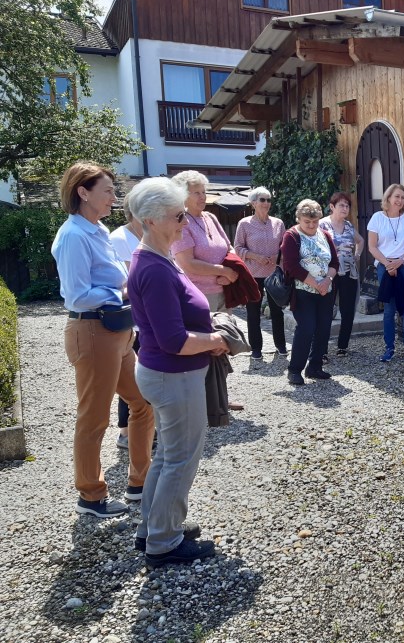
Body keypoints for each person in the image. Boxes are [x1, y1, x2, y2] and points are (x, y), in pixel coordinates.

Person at [127, 176, 227, 566]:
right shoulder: (153, 267)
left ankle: (152, 528)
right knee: (180, 458)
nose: (185, 223)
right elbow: (175, 340)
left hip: (167, 372)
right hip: (172, 373)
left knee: (168, 455)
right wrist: (216, 339)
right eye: (178, 216)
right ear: (152, 220)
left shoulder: (156, 257)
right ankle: (164, 542)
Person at [50, 162, 155, 518]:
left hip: (116, 330)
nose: (115, 197)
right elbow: (76, 296)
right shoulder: (74, 236)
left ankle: (140, 483)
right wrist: (121, 290)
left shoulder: (96, 230)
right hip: (93, 331)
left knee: (143, 402)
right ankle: (91, 496)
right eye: (108, 190)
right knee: (94, 419)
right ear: (83, 192)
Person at [171, 170, 242, 411]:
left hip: (222, 290)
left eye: (204, 192)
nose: (203, 197)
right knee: (204, 346)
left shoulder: (210, 217)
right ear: (182, 195)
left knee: (222, 343)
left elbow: (229, 246)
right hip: (198, 295)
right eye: (196, 193)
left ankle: (220, 396)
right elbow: (186, 263)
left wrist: (227, 272)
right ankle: (200, 402)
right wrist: (221, 270)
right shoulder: (180, 221)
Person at [282, 199, 339, 385]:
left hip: (326, 291)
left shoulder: (325, 235)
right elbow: (291, 266)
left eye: (315, 221)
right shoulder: (291, 236)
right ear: (299, 218)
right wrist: (316, 284)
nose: (312, 225)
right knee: (306, 328)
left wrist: (327, 281)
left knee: (323, 329)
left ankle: (315, 367)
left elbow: (334, 263)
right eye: (307, 222)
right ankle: (294, 369)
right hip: (303, 291)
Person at [367, 183, 404, 363]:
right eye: (396, 196)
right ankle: (389, 348)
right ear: (388, 198)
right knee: (389, 309)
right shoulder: (377, 218)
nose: (400, 200)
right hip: (385, 265)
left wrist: (400, 261)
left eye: (403, 197)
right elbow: (372, 247)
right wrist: (388, 264)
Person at [234, 187, 287, 359]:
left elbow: (285, 247)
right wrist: (255, 256)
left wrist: (277, 257)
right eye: (262, 200)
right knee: (253, 312)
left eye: (268, 200)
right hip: (253, 273)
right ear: (253, 203)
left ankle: (281, 346)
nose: (266, 203)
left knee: (277, 311)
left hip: (273, 274)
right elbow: (238, 248)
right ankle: (256, 348)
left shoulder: (278, 223)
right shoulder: (244, 224)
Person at [109, 193, 143, 450]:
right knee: (131, 376)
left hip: (149, 318)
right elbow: (129, 282)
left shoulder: (147, 235)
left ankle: (145, 427)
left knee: (144, 375)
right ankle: (125, 431)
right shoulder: (120, 239)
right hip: (133, 319)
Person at [319, 192, 364, 356]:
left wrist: (357, 255)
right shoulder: (322, 225)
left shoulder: (349, 226)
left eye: (347, 205)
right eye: (341, 205)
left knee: (348, 310)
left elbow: (361, 241)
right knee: (325, 310)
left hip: (348, 273)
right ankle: (321, 350)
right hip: (328, 272)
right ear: (332, 207)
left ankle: (342, 346)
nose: (345, 208)